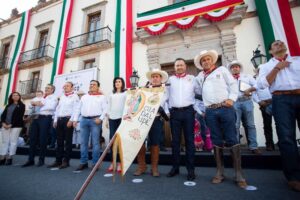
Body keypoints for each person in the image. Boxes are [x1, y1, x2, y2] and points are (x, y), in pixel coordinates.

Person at [195, 50, 247, 188]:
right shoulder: (199, 76)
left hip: (225, 108)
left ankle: (238, 174)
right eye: (203, 61)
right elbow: (194, 92)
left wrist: (232, 99)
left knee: (232, 138)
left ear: (212, 60)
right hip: (210, 111)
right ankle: (220, 172)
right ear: (201, 64)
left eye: (207, 59)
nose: (206, 62)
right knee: (216, 139)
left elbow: (233, 85)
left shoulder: (222, 70)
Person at [257, 40, 300, 192]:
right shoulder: (266, 66)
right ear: (270, 51)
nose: (279, 45)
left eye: (281, 43)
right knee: (286, 138)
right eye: (275, 44)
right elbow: (262, 84)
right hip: (280, 99)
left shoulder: (297, 60)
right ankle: (294, 177)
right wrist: (277, 68)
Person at [166, 58, 199, 181]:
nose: (179, 67)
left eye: (181, 65)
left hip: (188, 112)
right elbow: (166, 95)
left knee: (190, 142)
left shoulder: (192, 79)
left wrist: (198, 109)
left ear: (185, 66)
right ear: (174, 67)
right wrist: (167, 111)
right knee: (175, 142)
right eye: (177, 65)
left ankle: (190, 170)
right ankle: (175, 168)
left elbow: (199, 93)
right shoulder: (170, 80)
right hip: (174, 113)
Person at [134, 68, 169, 177]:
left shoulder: (165, 90)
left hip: (156, 119)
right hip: (143, 118)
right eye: (153, 77)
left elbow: (164, 102)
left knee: (155, 143)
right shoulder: (144, 89)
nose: (154, 78)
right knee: (139, 142)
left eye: (157, 76)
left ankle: (154, 168)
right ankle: (142, 166)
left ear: (160, 78)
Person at [228, 60, 261, 154]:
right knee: (235, 125)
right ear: (231, 69)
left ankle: (253, 147)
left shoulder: (247, 76)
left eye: (236, 66)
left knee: (250, 125)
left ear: (239, 68)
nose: (235, 68)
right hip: (234, 103)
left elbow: (257, 85)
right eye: (233, 67)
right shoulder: (228, 79)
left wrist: (250, 90)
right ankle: (236, 147)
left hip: (246, 101)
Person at [74, 80, 108, 171]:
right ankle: (83, 162)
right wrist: (75, 119)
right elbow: (78, 108)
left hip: (95, 121)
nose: (92, 86)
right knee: (83, 143)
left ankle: (95, 164)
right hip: (84, 120)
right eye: (91, 84)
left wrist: (100, 119)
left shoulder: (102, 97)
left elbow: (105, 109)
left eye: (94, 84)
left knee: (96, 143)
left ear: (98, 87)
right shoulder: (84, 96)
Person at [22, 84, 58, 167]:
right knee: (32, 138)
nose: (46, 89)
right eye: (45, 88)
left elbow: (51, 107)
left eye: (48, 88)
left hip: (45, 118)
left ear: (52, 90)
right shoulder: (42, 97)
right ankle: (30, 160)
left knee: (43, 139)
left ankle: (41, 160)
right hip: (35, 117)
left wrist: (38, 104)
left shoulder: (54, 97)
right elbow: (31, 105)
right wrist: (36, 103)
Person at [47, 82, 80, 169]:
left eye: (67, 86)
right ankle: (58, 161)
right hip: (60, 120)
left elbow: (76, 109)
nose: (65, 87)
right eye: (64, 86)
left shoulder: (75, 96)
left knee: (68, 142)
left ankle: (66, 161)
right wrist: (55, 120)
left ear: (72, 88)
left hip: (68, 120)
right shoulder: (62, 96)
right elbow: (58, 109)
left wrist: (72, 120)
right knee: (59, 141)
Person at [106, 77, 126, 172]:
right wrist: (107, 119)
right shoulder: (111, 95)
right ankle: (113, 162)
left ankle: (120, 163)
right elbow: (108, 107)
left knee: (120, 142)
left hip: (121, 119)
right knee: (112, 141)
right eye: (116, 82)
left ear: (122, 83)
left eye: (119, 81)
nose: (117, 83)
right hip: (112, 119)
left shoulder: (125, 94)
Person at [0, 92, 25, 165]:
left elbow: (19, 116)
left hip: (16, 126)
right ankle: (2, 157)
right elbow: (3, 115)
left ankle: (9, 157)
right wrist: (3, 123)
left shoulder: (22, 105)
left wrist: (11, 124)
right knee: (5, 141)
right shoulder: (8, 105)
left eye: (17, 95)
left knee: (13, 142)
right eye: (14, 95)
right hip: (5, 125)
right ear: (11, 97)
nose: (15, 96)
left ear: (19, 97)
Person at [253, 68, 274, 151]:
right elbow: (253, 93)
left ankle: (282, 142)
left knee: (280, 124)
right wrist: (259, 101)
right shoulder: (255, 81)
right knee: (267, 125)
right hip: (264, 104)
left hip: (275, 102)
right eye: (259, 70)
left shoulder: (271, 77)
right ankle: (269, 144)